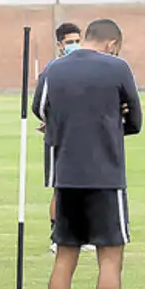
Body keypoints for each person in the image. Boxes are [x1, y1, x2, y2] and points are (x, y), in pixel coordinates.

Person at [32, 18, 143, 289]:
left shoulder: (54, 69)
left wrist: (65, 120)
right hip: (106, 177)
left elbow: (39, 110)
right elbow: (135, 121)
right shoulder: (118, 68)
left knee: (65, 257)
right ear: (112, 43)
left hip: (66, 176)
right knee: (109, 258)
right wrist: (112, 117)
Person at [42, 22, 94, 254]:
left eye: (76, 41)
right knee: (59, 188)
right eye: (69, 42)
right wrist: (53, 121)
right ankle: (57, 235)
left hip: (81, 138)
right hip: (58, 138)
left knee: (83, 185)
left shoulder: (85, 69)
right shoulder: (52, 69)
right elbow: (40, 105)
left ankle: (83, 233)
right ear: (60, 45)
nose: (74, 45)